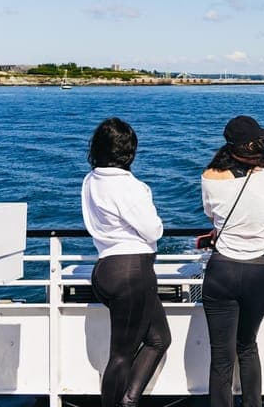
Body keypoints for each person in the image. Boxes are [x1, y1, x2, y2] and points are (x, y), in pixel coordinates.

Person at [81, 117, 171, 407]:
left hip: (106, 268)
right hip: (133, 271)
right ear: (129, 151)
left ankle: (128, 400)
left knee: (159, 338)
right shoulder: (130, 187)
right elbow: (153, 229)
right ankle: (123, 403)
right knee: (121, 354)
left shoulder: (91, 180)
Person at [201, 115, 264, 407]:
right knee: (247, 347)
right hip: (258, 272)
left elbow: (213, 217)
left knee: (221, 357)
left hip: (222, 270)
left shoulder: (210, 177)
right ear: (252, 145)